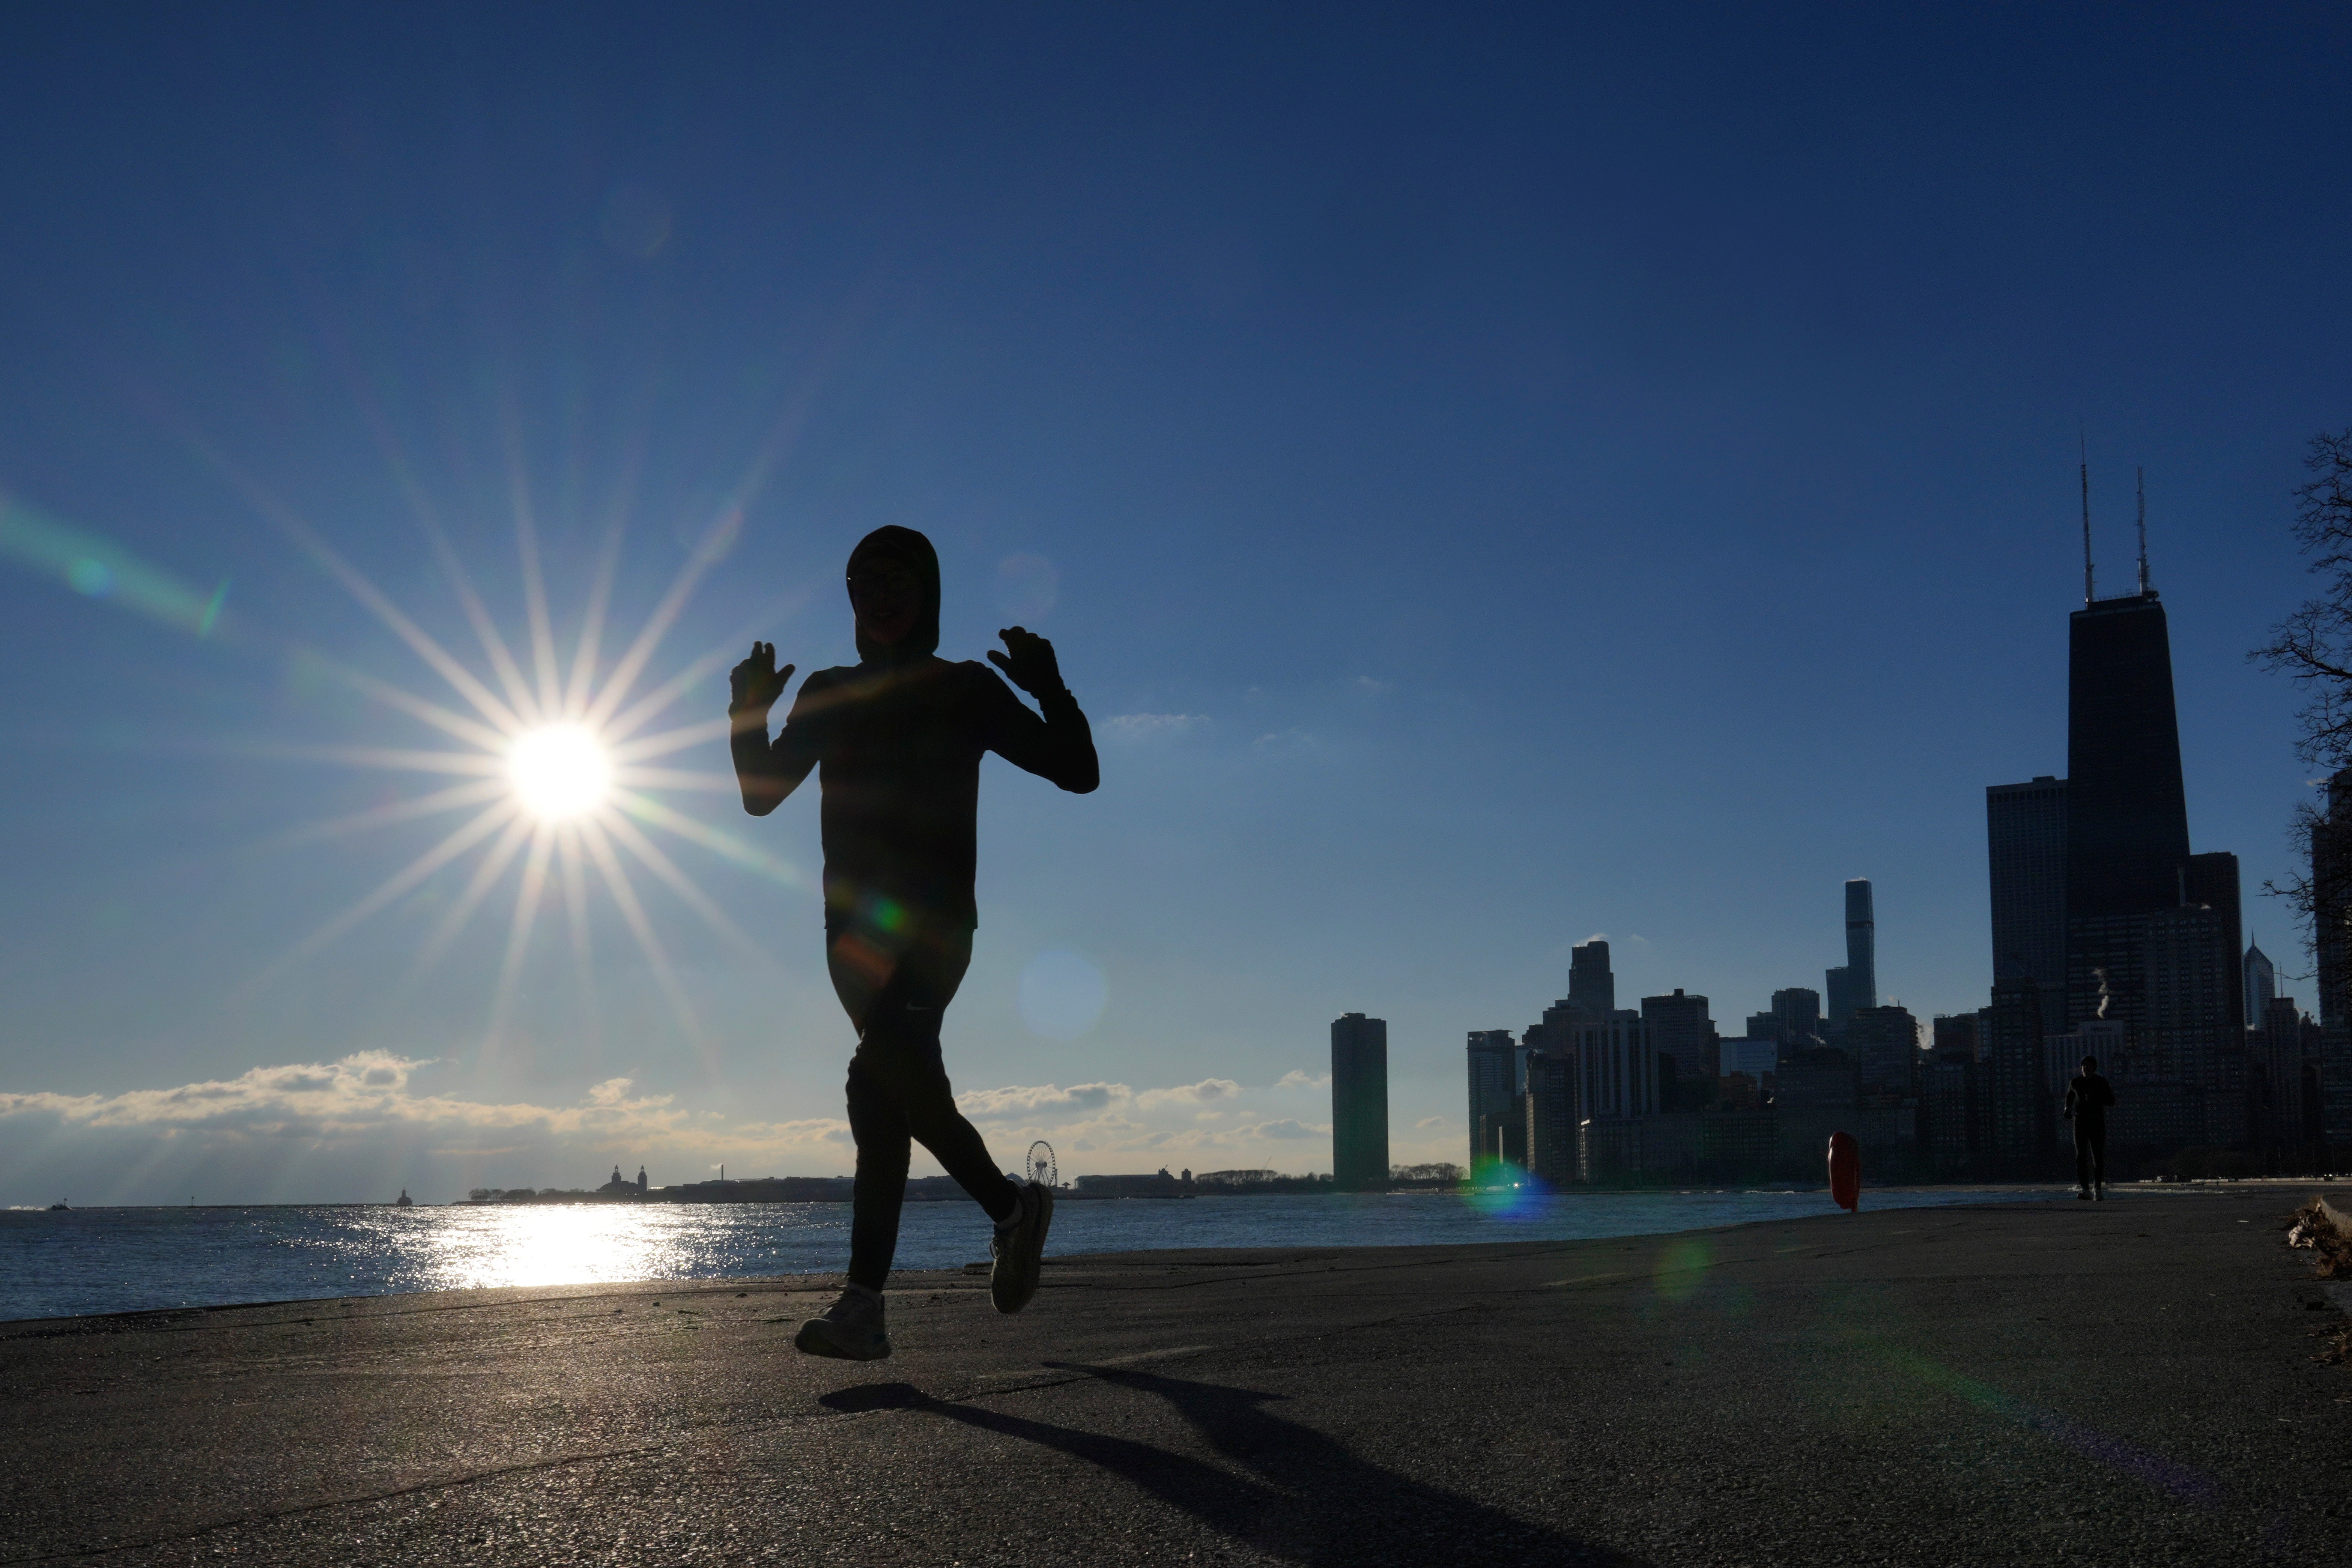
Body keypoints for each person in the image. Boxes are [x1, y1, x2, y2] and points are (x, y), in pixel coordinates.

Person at [728, 526, 1098, 1360]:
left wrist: (1051, 690)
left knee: (876, 1073)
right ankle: (1001, 1216)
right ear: (852, 601)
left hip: (934, 928)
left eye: (897, 578)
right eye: (863, 582)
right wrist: (745, 715)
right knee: (882, 1102)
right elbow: (760, 795)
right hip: (848, 938)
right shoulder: (827, 690)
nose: (879, 594)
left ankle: (879, 1290)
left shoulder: (963, 688)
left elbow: (1078, 770)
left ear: (927, 593)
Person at [2063, 1054, 2116, 1201]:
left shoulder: (2101, 1082)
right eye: (2083, 1065)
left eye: (2089, 1065)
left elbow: (2112, 1101)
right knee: (2080, 1155)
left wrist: (2097, 1098)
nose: (2086, 1068)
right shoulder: (2075, 1082)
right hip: (2079, 1123)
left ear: (2094, 1067)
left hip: (2097, 1123)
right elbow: (2069, 1097)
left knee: (2097, 1156)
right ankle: (2085, 1189)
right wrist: (2067, 1109)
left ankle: (2098, 1189)